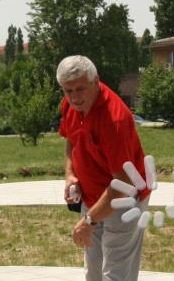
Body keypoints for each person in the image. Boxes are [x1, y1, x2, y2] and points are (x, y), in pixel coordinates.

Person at [57, 55, 151, 281]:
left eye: (80, 89)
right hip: (93, 198)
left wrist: (89, 221)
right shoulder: (71, 105)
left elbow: (122, 184)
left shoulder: (114, 120)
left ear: (96, 80)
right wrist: (70, 175)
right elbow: (71, 138)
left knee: (116, 275)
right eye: (68, 91)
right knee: (94, 273)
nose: (74, 97)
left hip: (124, 200)